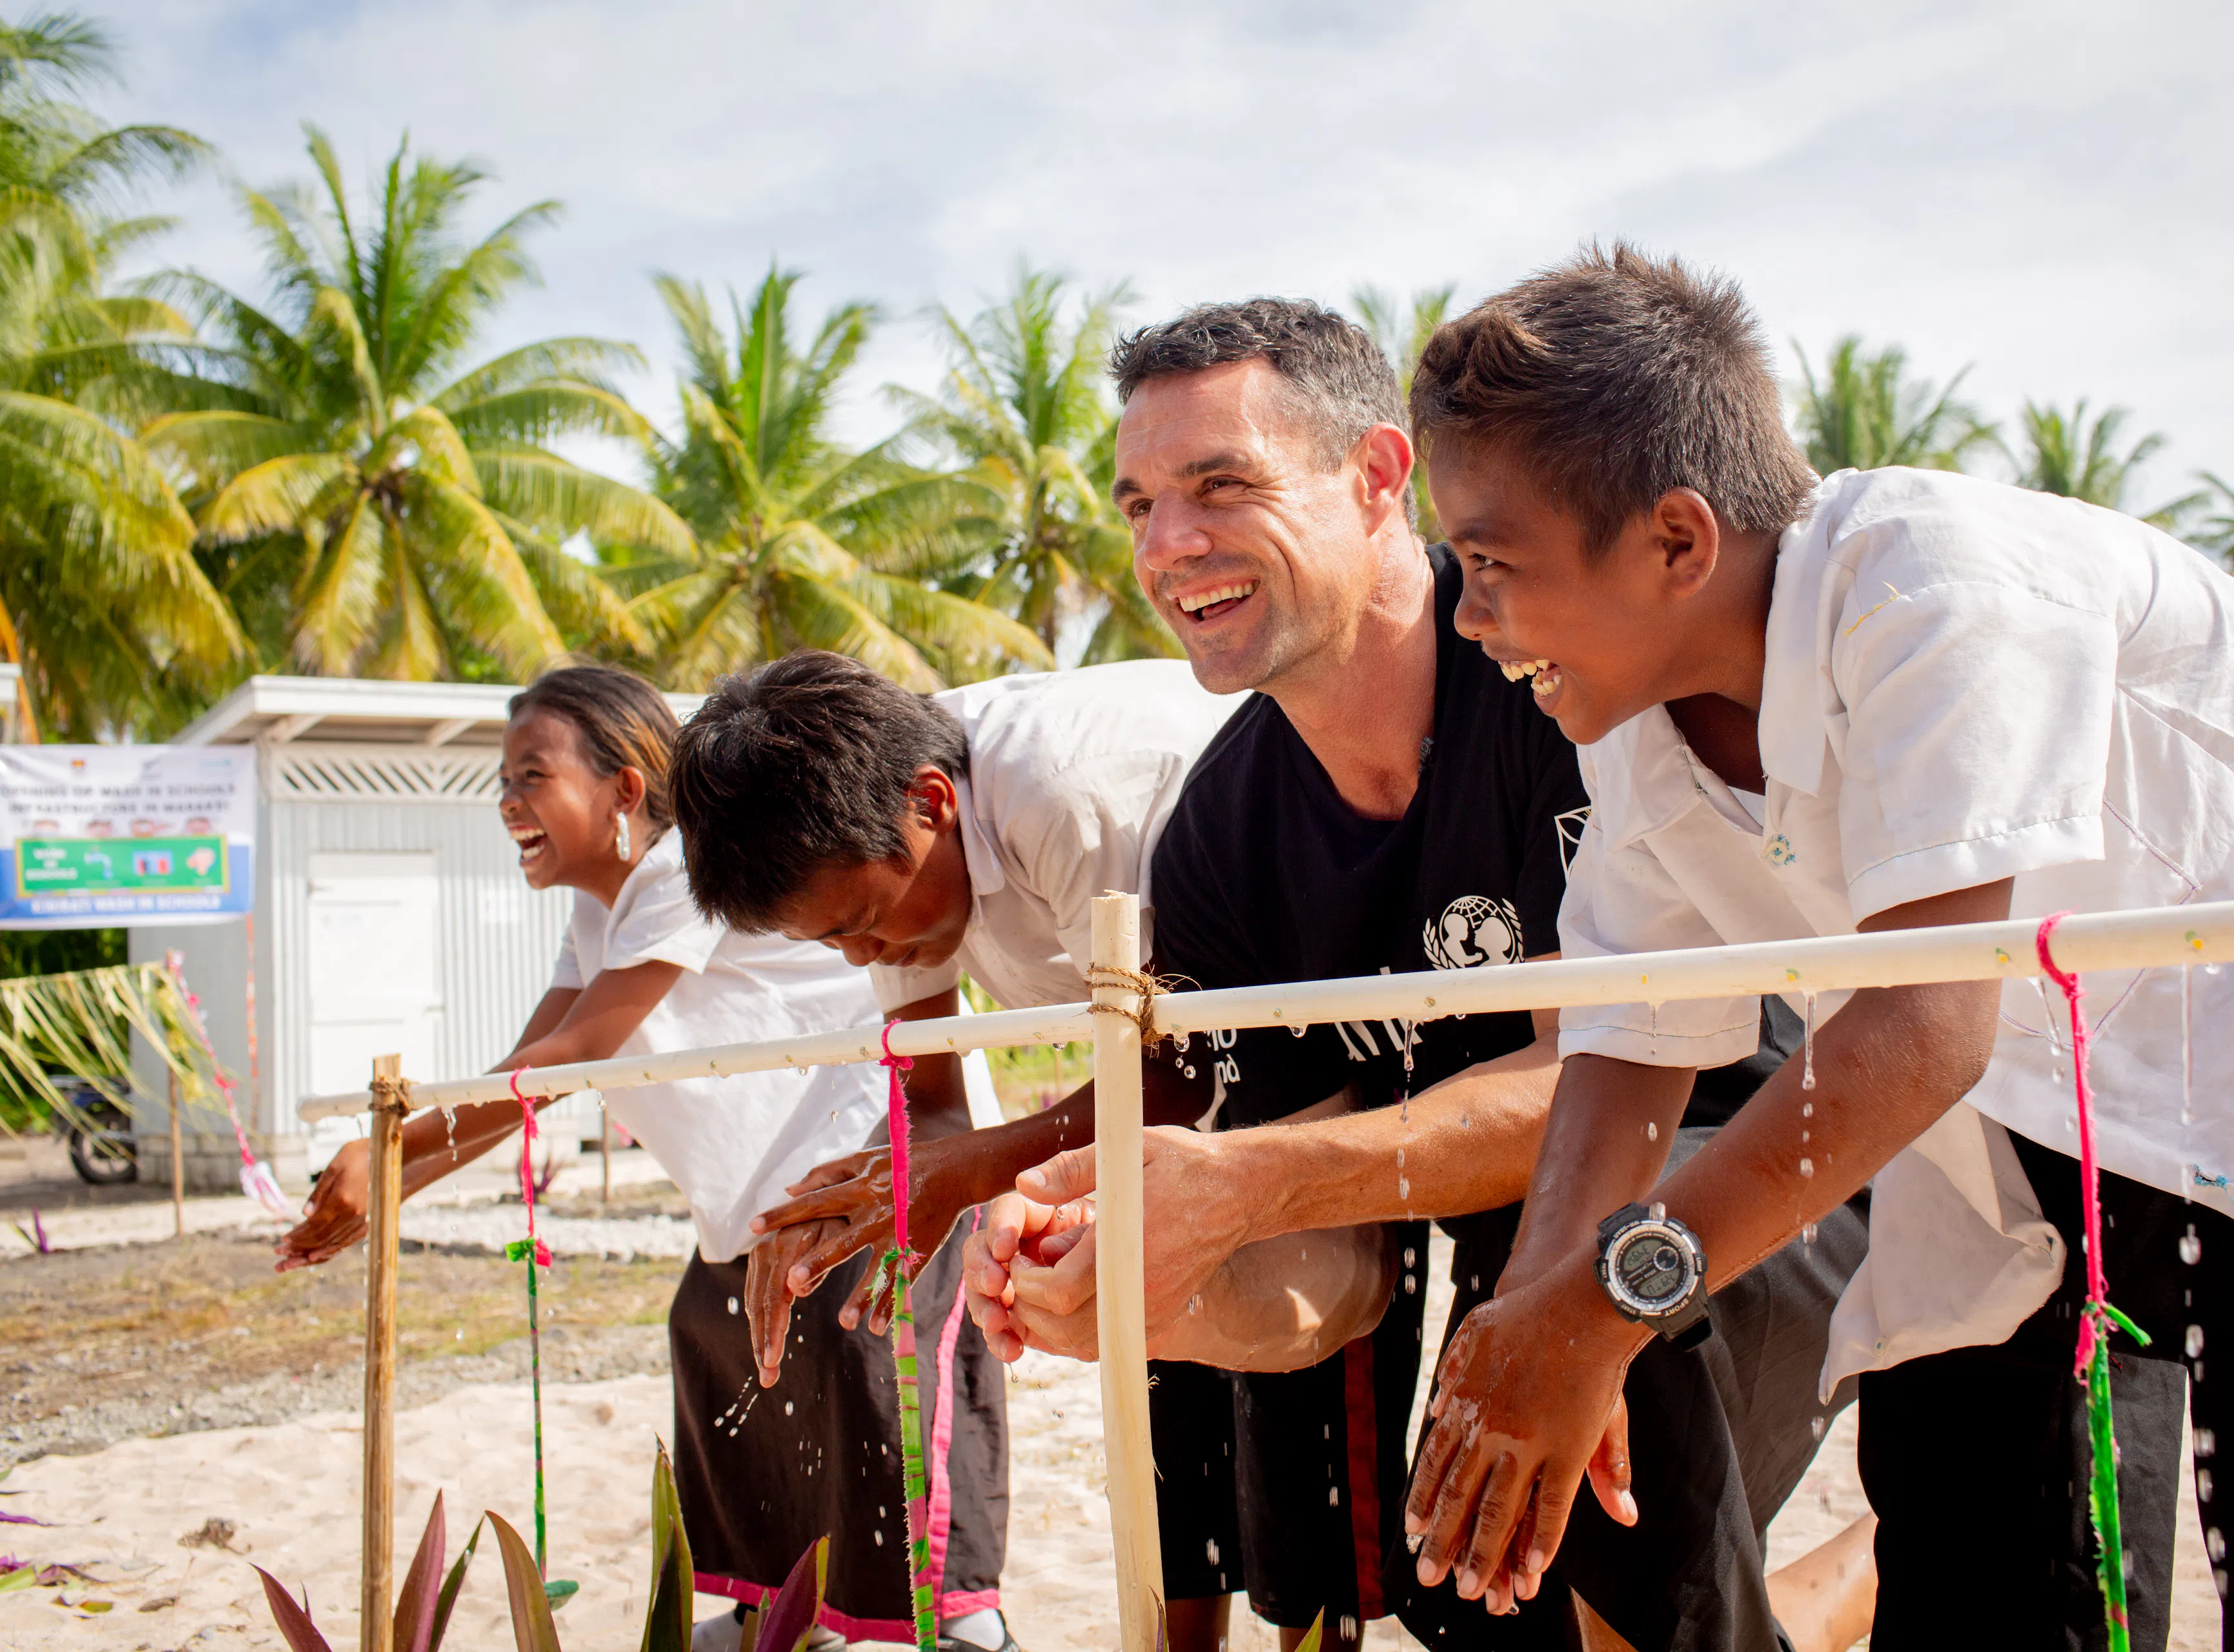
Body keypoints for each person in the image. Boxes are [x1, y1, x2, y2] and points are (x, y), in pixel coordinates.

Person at [1397, 245, 2234, 1649]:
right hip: (2030, 1100)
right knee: (1965, 1524)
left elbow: (1922, 1026)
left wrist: (1609, 1303)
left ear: (1678, 541)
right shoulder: (1643, 744)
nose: (1465, 613)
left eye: (1489, 564)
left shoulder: (1936, 584)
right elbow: (1628, 1039)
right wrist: (1538, 1312)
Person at [944, 299, 1869, 1652]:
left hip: (1761, 1168)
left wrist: (1247, 1182)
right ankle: (1861, 1568)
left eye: (1221, 485)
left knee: (1621, 1341)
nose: (1166, 544)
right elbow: (1343, 1263)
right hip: (1514, 1246)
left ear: (1381, 478)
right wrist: (1147, 1270)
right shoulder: (1215, 838)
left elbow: (1608, 1057)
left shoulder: (1569, 675)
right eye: (1139, 503)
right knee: (1477, 1600)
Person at [272, 664, 1019, 1652]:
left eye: (532, 775)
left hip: (875, 1149)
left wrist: (389, 1155)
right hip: (756, 1193)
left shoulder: (678, 874)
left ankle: (963, 1622)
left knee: (872, 1373)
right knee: (719, 1346)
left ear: (626, 790)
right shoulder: (598, 918)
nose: (508, 802)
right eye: (504, 780)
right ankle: (780, 1611)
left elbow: (576, 1057)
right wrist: (390, 1177)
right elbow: (525, 1076)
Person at [662, 648, 1242, 1384]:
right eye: (831, 939)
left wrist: (960, 1175)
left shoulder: (1058, 797)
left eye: (862, 924)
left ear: (933, 803)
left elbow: (1178, 1075)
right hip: (1204, 1107)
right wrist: (851, 1196)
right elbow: (931, 1103)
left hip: (1321, 1043)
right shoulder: (885, 836)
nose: (858, 955)